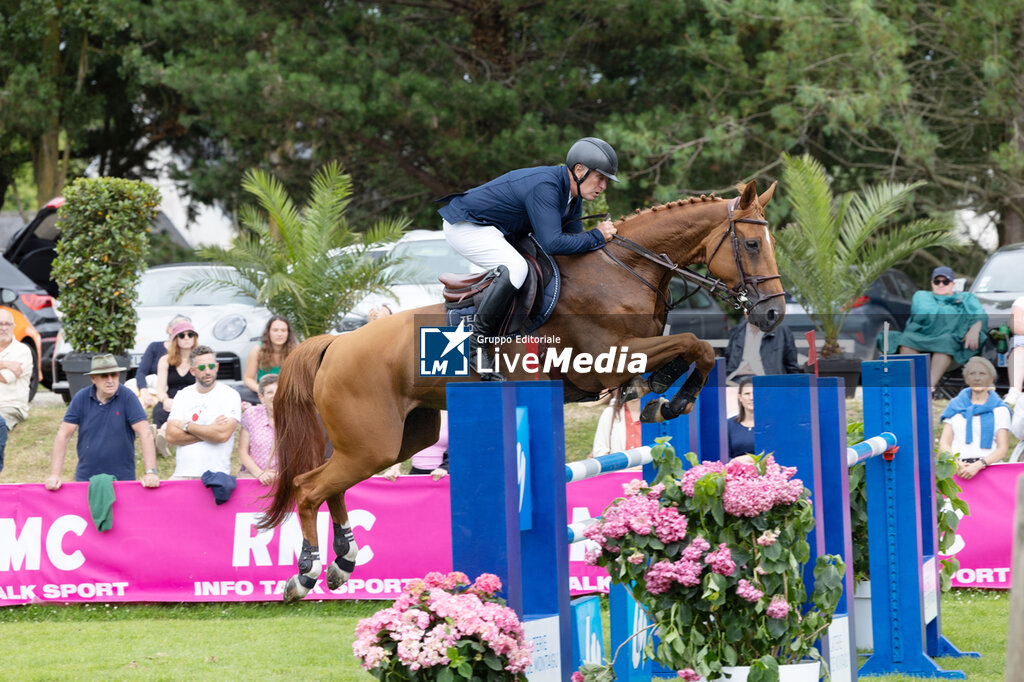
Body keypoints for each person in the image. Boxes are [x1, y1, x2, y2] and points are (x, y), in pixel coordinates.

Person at [438, 137, 620, 379]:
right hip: (467, 226)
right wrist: (597, 235)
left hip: (497, 230)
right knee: (516, 268)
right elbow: (553, 242)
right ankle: (475, 344)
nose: (603, 186)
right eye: (600, 177)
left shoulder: (572, 196)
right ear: (579, 170)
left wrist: (595, 242)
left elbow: (570, 248)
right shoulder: (546, 186)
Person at [45, 354, 159, 489]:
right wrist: (55, 475)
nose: (110, 380)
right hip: (86, 479)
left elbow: (145, 433)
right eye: (104, 376)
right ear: (93, 378)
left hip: (122, 480)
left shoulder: (128, 397)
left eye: (114, 375)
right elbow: (63, 435)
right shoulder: (81, 397)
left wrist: (151, 472)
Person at [882, 266, 987, 390]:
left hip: (951, 341)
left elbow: (980, 314)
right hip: (922, 337)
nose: (941, 284)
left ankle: (928, 387)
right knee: (905, 339)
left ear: (953, 284)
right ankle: (916, 383)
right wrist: (952, 301)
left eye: (945, 281)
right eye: (937, 282)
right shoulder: (921, 296)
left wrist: (975, 328)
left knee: (946, 341)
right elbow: (926, 311)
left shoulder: (967, 297)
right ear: (932, 283)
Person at [165, 345, 242, 480]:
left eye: (211, 366)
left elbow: (222, 435)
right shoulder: (182, 395)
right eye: (201, 367)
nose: (207, 371)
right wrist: (210, 430)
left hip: (216, 476)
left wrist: (187, 426)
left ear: (217, 367)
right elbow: (171, 436)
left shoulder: (230, 395)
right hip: (182, 474)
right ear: (192, 371)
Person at [938, 356, 1011, 479]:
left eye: (982, 374)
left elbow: (1002, 449)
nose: (977, 378)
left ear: (991, 379)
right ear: (966, 379)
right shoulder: (955, 406)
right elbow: (944, 443)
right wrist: (955, 463)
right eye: (972, 374)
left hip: (989, 470)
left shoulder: (1000, 409)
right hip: (958, 469)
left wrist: (978, 465)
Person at [151, 320, 199, 455]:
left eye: (190, 335)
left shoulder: (199, 360)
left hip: (191, 400)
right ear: (175, 339)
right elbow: (160, 388)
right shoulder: (165, 360)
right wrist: (165, 400)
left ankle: (160, 434)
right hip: (170, 398)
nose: (187, 338)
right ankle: (159, 436)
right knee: (160, 411)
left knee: (181, 414)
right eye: (182, 335)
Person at [724, 310, 800, 383]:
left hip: (766, 381)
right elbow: (727, 359)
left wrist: (793, 387)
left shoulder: (781, 331)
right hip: (735, 379)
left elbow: (791, 366)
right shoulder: (737, 331)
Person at [133, 314, 191, 409]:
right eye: (180, 331)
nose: (185, 336)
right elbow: (141, 372)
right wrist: (144, 391)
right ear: (170, 329)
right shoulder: (155, 348)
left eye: (189, 333)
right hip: (156, 391)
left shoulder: (191, 354)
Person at [0, 308, 33, 474]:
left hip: (9, 407)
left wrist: (4, 369)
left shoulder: (22, 351)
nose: (3, 328)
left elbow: (5, 378)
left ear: (13, 326)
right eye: (0, 324)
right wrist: (5, 363)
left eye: (7, 324)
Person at [382, 411, 449, 481]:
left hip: (442, 476)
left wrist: (444, 468)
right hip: (416, 474)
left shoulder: (452, 417)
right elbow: (405, 444)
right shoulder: (416, 415)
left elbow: (458, 449)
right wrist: (394, 468)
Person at [238, 373, 279, 485]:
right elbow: (242, 451)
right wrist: (260, 474)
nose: (274, 396)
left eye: (278, 391)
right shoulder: (251, 415)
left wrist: (282, 474)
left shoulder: (294, 419)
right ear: (261, 397)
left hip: (283, 480)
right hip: (254, 478)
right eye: (270, 392)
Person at [591, 380, 649, 458]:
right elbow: (600, 451)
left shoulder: (653, 414)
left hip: (647, 469)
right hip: (619, 469)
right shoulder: (610, 413)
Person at [243, 315, 297, 396]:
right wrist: (260, 390)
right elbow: (248, 378)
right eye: (275, 330)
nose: (279, 334)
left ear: (288, 333)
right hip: (263, 393)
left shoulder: (295, 352)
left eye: (283, 330)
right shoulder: (257, 350)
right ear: (268, 332)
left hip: (287, 394)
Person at [727, 377, 756, 460]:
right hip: (735, 471)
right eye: (747, 394)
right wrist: (736, 461)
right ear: (740, 397)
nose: (751, 397)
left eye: (754, 393)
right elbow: (723, 456)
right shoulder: (728, 425)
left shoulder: (770, 424)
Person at [1003, 295, 1023, 406]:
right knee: (1019, 348)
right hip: (1022, 338)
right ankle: (1015, 392)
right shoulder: (1021, 301)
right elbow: (1015, 325)